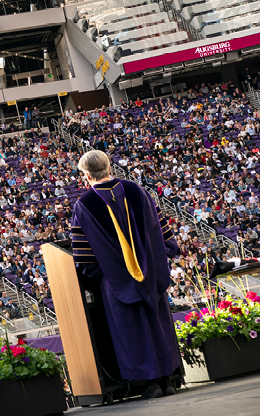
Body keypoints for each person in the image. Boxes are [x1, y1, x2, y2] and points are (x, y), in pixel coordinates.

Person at [71, 150, 180, 398]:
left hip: (116, 281)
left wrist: (97, 273)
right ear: (109, 168)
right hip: (151, 273)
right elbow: (159, 225)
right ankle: (168, 380)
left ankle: (150, 385)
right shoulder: (137, 191)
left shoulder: (85, 205)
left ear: (87, 175)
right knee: (157, 324)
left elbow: (84, 253)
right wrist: (164, 253)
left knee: (132, 330)